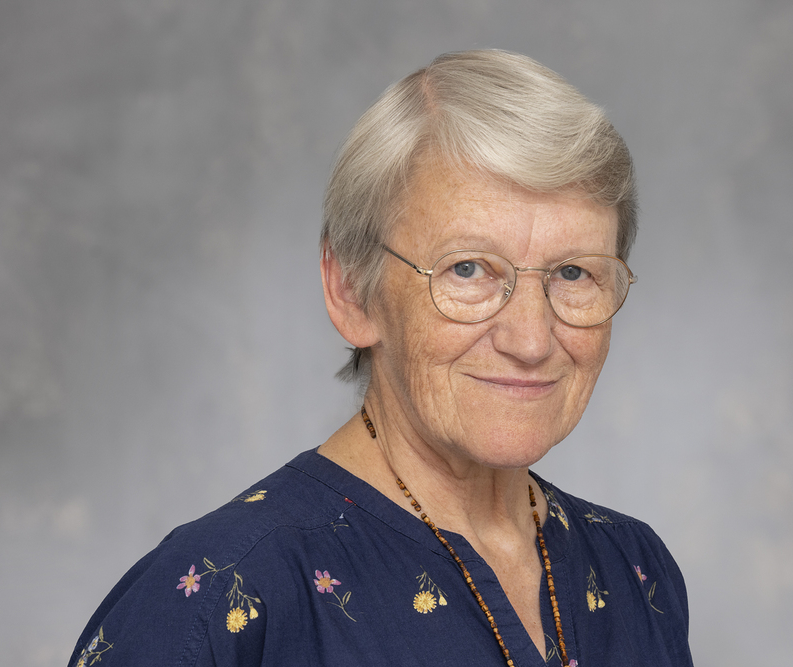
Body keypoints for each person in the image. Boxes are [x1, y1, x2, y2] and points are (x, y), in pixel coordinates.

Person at [69, 49, 693, 667]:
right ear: (351, 290)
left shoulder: (635, 570)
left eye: (574, 272)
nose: (530, 340)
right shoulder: (222, 591)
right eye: (468, 269)